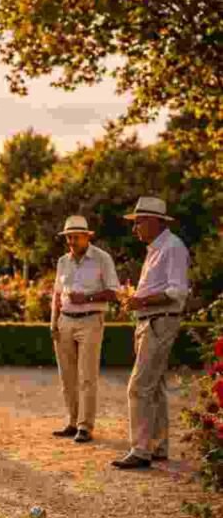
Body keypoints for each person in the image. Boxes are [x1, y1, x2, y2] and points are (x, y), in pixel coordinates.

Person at [112, 196, 190, 470]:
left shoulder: (172, 247)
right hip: (149, 321)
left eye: (139, 222)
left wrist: (141, 301)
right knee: (154, 387)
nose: (135, 229)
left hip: (159, 321)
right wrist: (137, 302)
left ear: (156, 221)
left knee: (139, 386)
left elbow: (177, 292)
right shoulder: (156, 249)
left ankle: (140, 450)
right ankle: (157, 446)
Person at [50, 215, 119, 444]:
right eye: (68, 237)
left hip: (91, 320)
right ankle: (72, 422)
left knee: (87, 376)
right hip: (64, 321)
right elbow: (57, 294)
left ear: (87, 237)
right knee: (67, 376)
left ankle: (85, 426)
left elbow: (113, 291)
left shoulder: (102, 259)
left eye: (75, 237)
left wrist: (87, 297)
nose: (71, 241)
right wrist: (53, 323)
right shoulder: (63, 261)